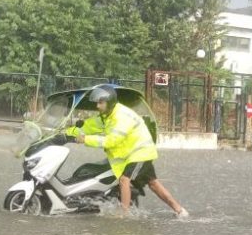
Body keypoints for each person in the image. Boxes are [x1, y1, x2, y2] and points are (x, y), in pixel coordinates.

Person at [66, 85, 188, 218]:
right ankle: (180, 210)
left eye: (101, 103)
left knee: (124, 180)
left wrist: (85, 139)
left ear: (110, 102)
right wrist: (66, 133)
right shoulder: (107, 115)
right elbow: (89, 125)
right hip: (134, 154)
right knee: (153, 183)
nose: (97, 106)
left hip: (140, 152)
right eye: (97, 103)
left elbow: (111, 141)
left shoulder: (121, 116)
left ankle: (123, 215)